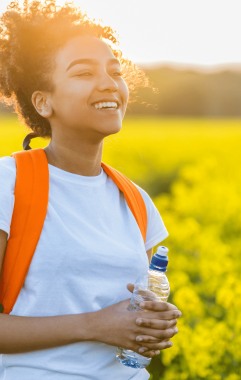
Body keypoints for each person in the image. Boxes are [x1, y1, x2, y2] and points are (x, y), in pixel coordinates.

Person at [0, 1, 181, 379]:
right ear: (43, 102)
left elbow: (134, 314)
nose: (108, 84)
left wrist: (155, 323)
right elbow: (104, 321)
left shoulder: (136, 202)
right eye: (83, 73)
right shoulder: (8, 184)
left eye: (115, 72)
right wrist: (94, 325)